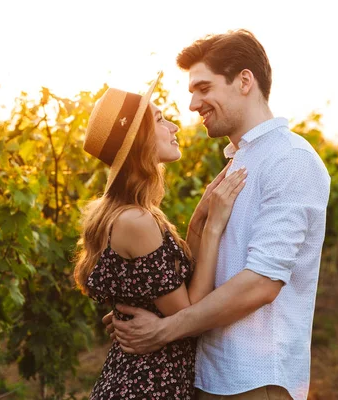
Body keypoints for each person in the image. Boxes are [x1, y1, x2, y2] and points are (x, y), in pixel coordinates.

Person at [106, 30, 331, 400]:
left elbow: (262, 283)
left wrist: (163, 330)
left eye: (204, 88)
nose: (193, 104)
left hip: (255, 380)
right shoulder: (241, 160)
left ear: (244, 81)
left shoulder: (290, 159)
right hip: (207, 374)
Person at [74, 73, 247, 399]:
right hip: (146, 386)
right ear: (140, 140)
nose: (174, 127)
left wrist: (201, 213)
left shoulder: (133, 212)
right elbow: (188, 311)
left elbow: (168, 289)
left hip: (138, 380)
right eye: (160, 119)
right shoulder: (135, 220)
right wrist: (213, 226)